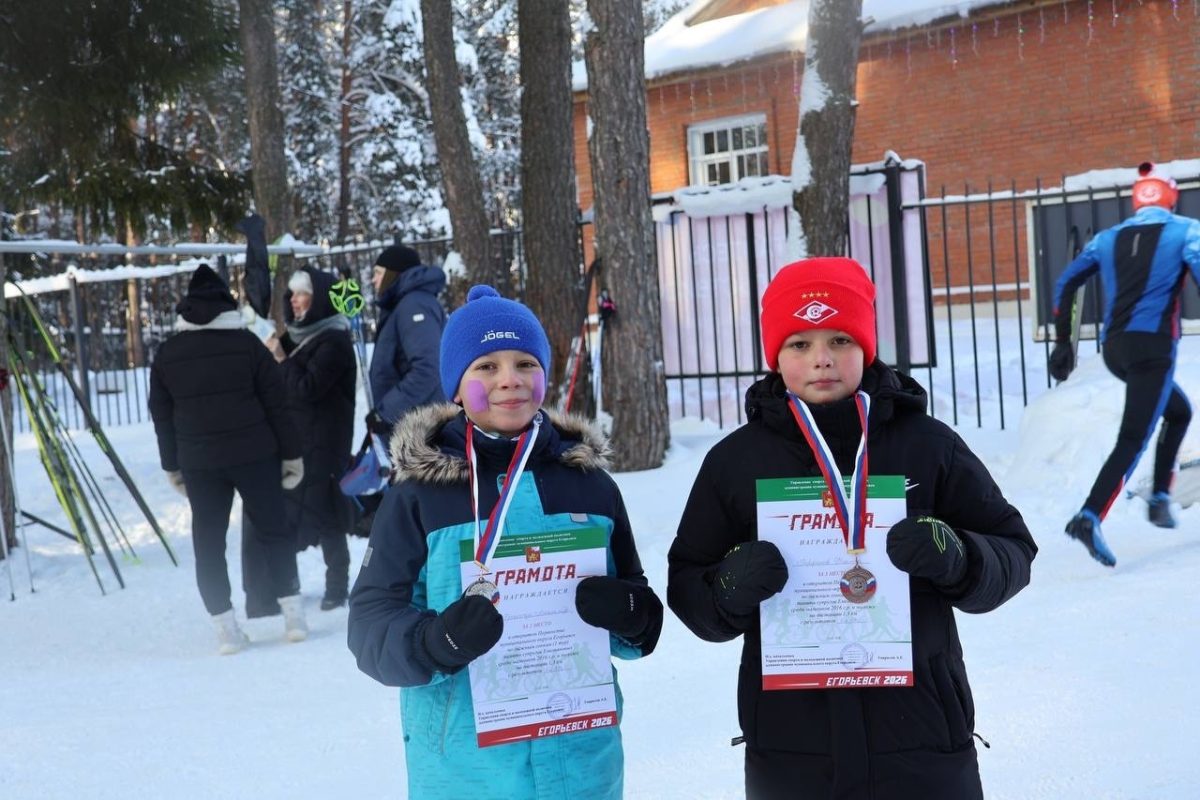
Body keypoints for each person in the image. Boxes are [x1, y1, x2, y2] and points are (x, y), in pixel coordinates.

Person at [666, 257, 1036, 800]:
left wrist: (962, 558)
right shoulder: (735, 463)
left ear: (866, 347)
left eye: (840, 339)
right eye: (799, 343)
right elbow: (686, 582)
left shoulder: (928, 445)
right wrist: (725, 589)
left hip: (923, 738)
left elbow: (1014, 550)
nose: (822, 359)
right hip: (792, 752)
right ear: (775, 357)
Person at [347, 285, 663, 799]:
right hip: (467, 773)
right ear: (456, 386)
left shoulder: (591, 486)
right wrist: (435, 642)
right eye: (486, 366)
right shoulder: (419, 495)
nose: (509, 379)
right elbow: (369, 625)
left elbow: (638, 611)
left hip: (582, 766)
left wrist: (630, 613)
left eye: (525, 363)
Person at [148, 264, 308, 655]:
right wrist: (292, 454)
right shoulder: (248, 345)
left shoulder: (168, 353)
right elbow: (277, 404)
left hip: (199, 463)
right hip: (256, 455)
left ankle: (226, 630)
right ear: (226, 305)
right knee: (274, 532)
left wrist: (172, 465)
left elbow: (162, 417)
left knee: (208, 543)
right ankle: (293, 618)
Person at [1050, 161, 1200, 567]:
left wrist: (1063, 341)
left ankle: (1160, 497)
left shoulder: (1107, 238)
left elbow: (1066, 282)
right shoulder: (1186, 230)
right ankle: (1089, 516)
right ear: (1171, 197)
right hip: (1153, 348)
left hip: (1115, 351)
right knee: (1133, 437)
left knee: (1179, 411)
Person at [245, 266, 356, 614]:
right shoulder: (294, 335)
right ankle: (288, 585)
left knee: (325, 513)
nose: (294, 300)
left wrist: (279, 357)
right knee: (301, 511)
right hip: (296, 438)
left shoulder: (334, 340)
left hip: (325, 440)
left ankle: (335, 585)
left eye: (302, 294)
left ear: (318, 298)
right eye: (291, 294)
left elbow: (307, 388)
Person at [366, 243, 447, 437]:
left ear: (393, 273)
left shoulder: (414, 305)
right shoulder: (404, 304)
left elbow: (428, 368)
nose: (373, 279)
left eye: (378, 273)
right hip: (411, 422)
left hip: (420, 427)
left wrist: (386, 412)